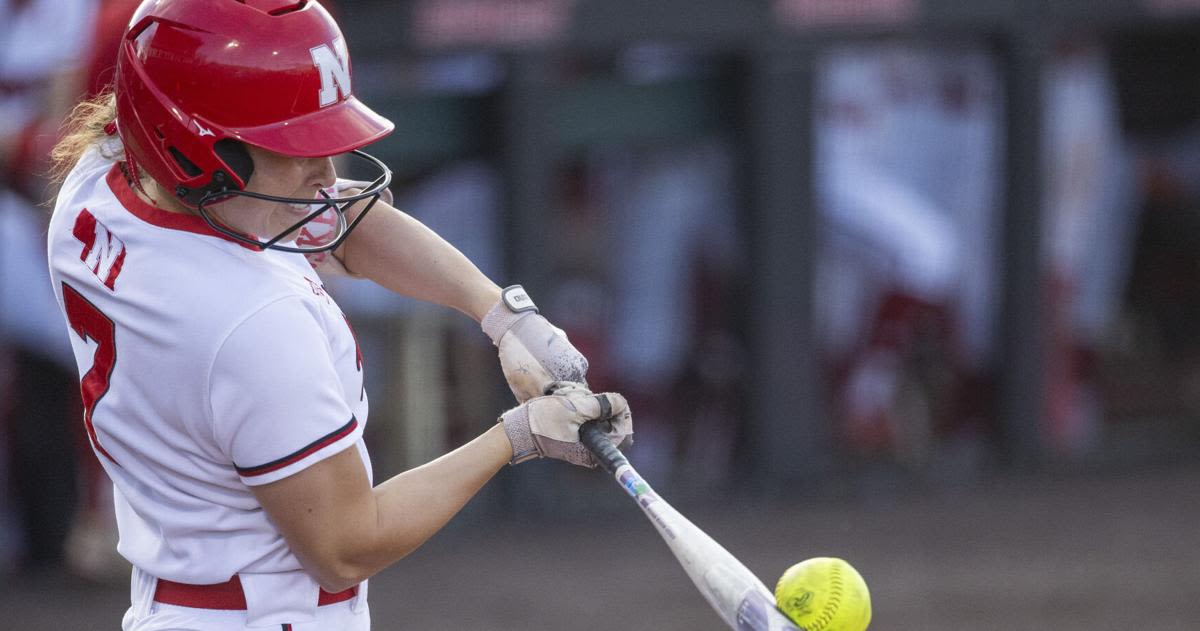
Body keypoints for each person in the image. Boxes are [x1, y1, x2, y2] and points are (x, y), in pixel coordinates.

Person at [46, 2, 632, 629]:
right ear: (196, 152)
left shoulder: (102, 185)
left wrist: (501, 314)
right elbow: (348, 546)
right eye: (291, 147)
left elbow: (338, 222)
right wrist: (515, 438)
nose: (326, 172)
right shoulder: (251, 320)